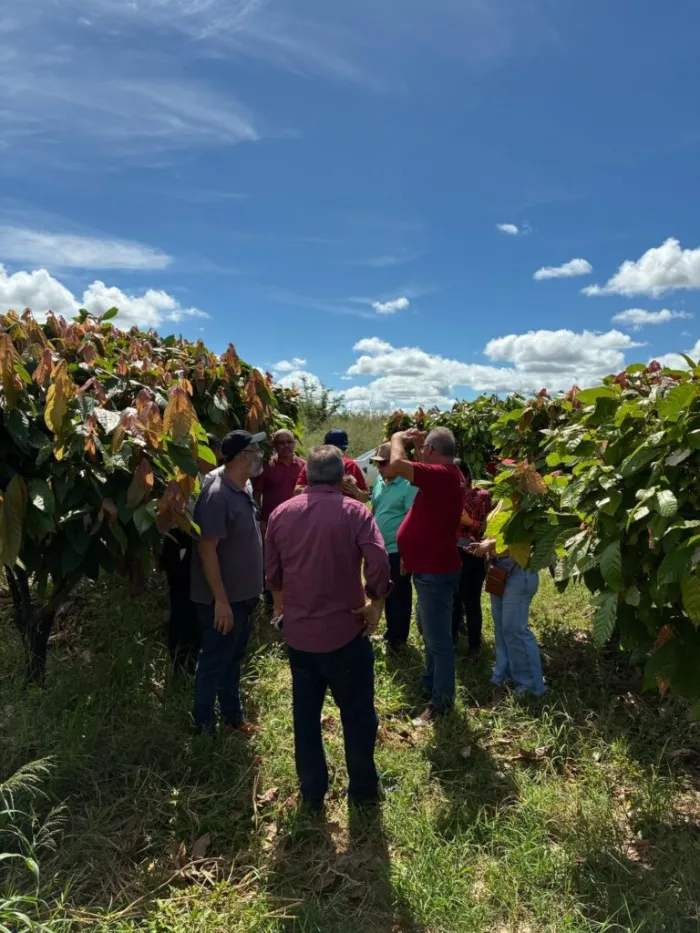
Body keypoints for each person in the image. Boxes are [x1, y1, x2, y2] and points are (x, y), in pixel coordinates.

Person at [265, 445, 391, 811]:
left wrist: (279, 605)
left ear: (305, 476)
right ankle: (364, 791)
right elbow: (379, 560)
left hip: (300, 636)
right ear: (342, 477)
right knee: (357, 714)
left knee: (305, 717)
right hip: (345, 632)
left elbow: (272, 572)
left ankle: (312, 792)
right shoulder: (355, 513)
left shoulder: (281, 514)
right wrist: (376, 604)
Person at [190, 429, 266, 735]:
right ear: (244, 457)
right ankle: (203, 726)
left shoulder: (241, 488)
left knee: (233, 659)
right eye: (256, 451)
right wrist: (220, 600)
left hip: (242, 596)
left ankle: (233, 718)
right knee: (213, 662)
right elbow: (207, 551)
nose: (261, 456)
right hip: (223, 600)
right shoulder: (217, 495)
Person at [385, 427, 463, 721]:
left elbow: (397, 465)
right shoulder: (446, 475)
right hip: (430, 566)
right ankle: (429, 685)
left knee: (439, 640)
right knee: (431, 634)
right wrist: (420, 444)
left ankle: (441, 704)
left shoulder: (441, 476)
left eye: (424, 450)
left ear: (432, 451)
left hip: (435, 571)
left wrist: (397, 439)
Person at [162, 434, 223, 675]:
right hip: (182, 545)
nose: (216, 463)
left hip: (196, 545)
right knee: (183, 603)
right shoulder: (180, 479)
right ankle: (182, 661)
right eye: (213, 458)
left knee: (198, 602)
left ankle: (196, 655)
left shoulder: (207, 479)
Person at [472, 536, 545, 697]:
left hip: (518, 570)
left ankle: (531, 685)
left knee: (514, 629)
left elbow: (525, 536)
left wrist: (490, 544)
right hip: (499, 569)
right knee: (501, 628)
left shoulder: (526, 510)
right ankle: (504, 674)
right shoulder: (497, 509)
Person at [370, 443, 418, 652]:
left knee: (399, 594)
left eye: (384, 463)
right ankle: (391, 632)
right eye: (377, 463)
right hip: (380, 549)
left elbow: (412, 519)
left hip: (399, 551)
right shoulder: (380, 481)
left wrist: (408, 552)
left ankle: (398, 640)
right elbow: (375, 508)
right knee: (385, 592)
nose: (379, 468)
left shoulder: (409, 485)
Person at [452, 464, 493, 653]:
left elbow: (486, 527)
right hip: (452, 554)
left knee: (472, 602)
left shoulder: (481, 496)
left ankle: (474, 646)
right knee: (453, 599)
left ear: (466, 476)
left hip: (472, 554)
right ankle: (452, 641)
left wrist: (469, 522)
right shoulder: (449, 496)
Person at [295, 428, 369, 503]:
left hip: (345, 511)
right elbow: (297, 492)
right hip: (318, 509)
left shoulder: (351, 465)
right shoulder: (314, 464)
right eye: (335, 449)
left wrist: (356, 491)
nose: (339, 452)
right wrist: (324, 486)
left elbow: (365, 498)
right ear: (325, 447)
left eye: (343, 449)